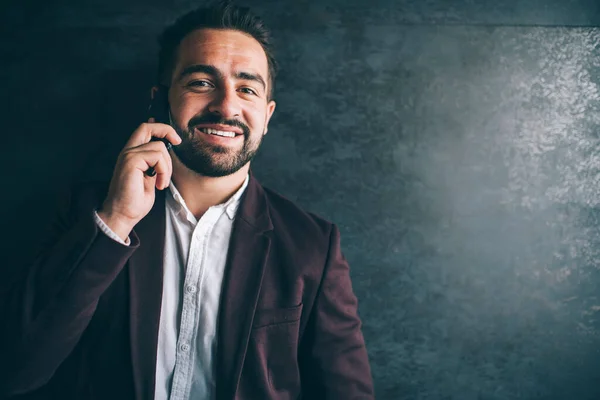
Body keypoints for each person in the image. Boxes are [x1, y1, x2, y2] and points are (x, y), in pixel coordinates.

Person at [0, 2, 374, 399]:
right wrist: (116, 221)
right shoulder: (88, 212)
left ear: (266, 116)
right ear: (160, 100)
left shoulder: (314, 245)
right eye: (201, 82)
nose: (227, 106)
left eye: (246, 88)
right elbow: (14, 372)